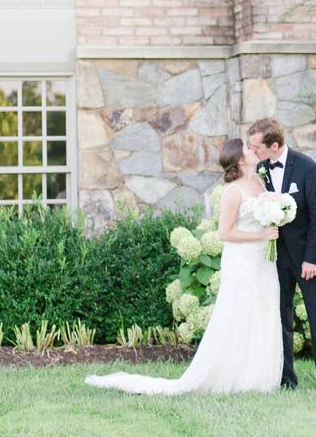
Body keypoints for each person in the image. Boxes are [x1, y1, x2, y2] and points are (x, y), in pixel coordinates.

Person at [84, 138, 282, 395]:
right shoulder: (233, 191)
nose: (254, 149)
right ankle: (235, 377)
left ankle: (261, 378)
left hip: (263, 260)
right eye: (248, 148)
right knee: (240, 314)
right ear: (239, 159)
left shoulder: (260, 182)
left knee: (263, 310)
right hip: (242, 260)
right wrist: (260, 236)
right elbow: (224, 233)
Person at [248, 117, 316, 393]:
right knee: (280, 318)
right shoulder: (260, 170)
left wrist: (311, 258)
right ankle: (286, 379)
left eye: (256, 147)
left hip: (308, 258)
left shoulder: (307, 168)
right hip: (276, 257)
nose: (253, 152)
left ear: (274, 145)